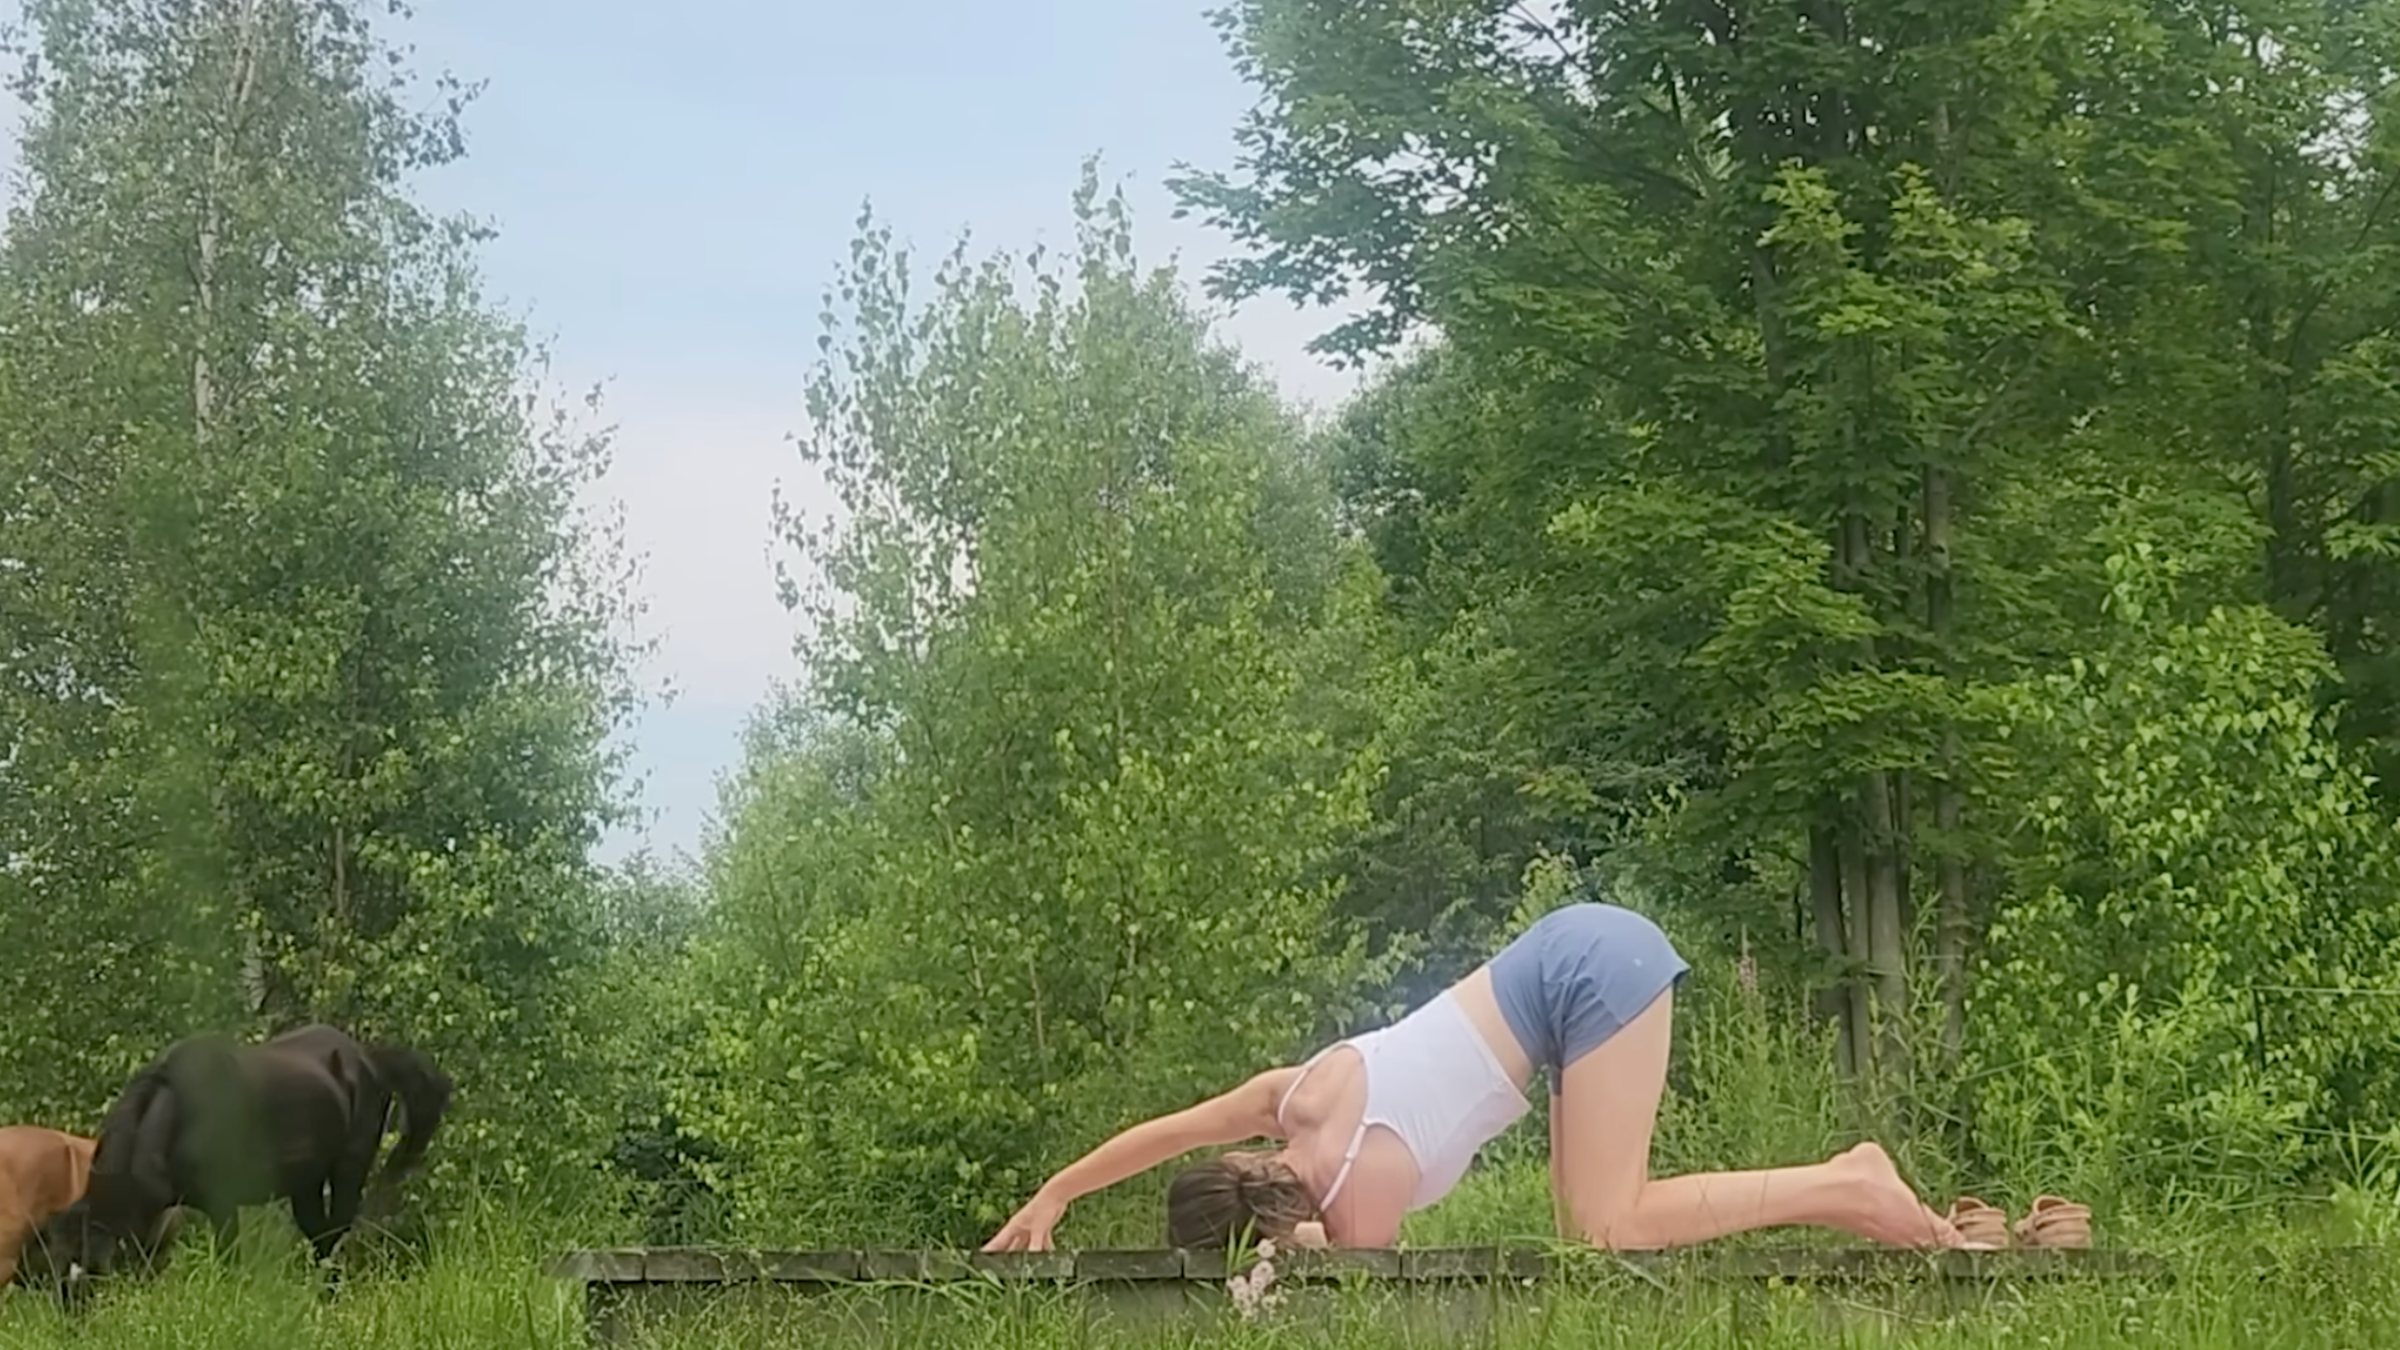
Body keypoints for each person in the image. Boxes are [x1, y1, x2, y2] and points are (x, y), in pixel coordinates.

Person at [982, 901, 1970, 1253]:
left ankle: (1850, 1185)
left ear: (1255, 1240)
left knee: (1605, 1226)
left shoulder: (1346, 1194)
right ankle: (1847, 1186)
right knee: (1590, 1221)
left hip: (1584, 977)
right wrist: (1055, 1191)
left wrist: (1295, 1261)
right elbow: (1171, 1130)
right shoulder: (1297, 1100)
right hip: (1569, 958)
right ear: (1244, 1161)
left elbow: (1355, 1283)